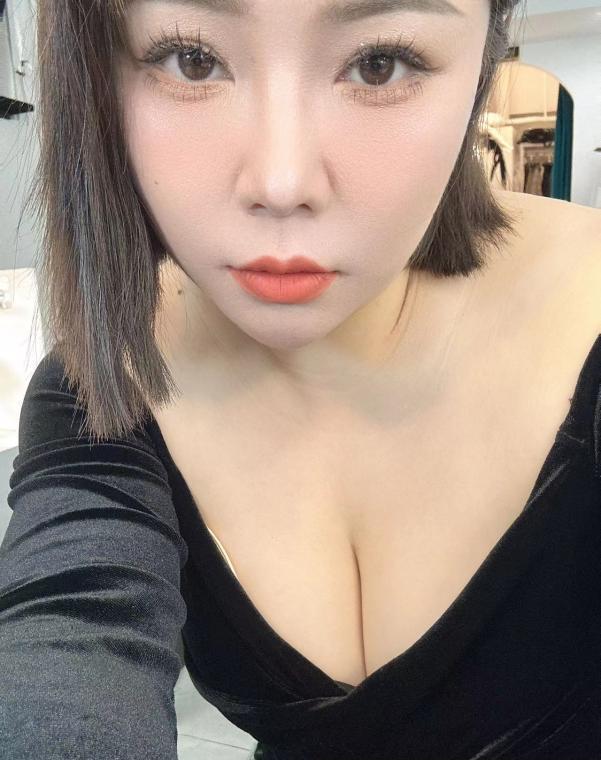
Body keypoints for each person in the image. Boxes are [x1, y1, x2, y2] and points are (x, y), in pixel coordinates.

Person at [2, 0, 601, 758]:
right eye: (192, 59)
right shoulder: (105, 375)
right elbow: (67, 644)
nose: (281, 184)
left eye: (379, 64)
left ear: (484, 56)